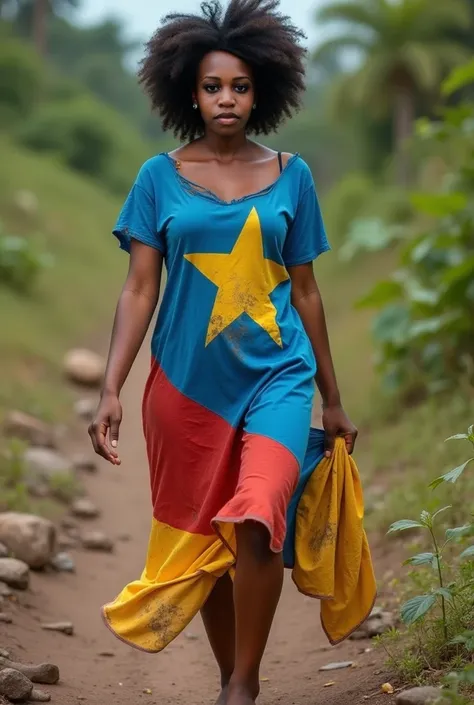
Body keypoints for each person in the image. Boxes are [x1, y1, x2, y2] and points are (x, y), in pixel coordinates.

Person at [89, 1, 358, 703]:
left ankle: (244, 683)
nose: (227, 99)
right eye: (213, 86)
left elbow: (306, 292)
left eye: (239, 86)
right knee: (207, 543)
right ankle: (226, 672)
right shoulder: (157, 177)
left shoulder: (293, 174)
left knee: (258, 517)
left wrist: (332, 397)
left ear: (261, 89)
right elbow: (139, 290)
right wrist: (111, 386)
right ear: (190, 92)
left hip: (278, 373)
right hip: (184, 385)